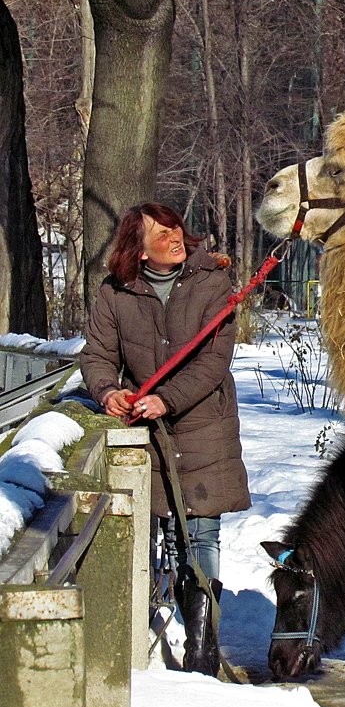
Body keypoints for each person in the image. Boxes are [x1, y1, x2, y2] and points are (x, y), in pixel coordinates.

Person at [80, 202, 250, 676]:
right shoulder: (115, 294)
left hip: (203, 427)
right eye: (163, 233)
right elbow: (96, 354)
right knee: (172, 536)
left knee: (201, 530)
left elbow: (214, 363)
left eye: (177, 228)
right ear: (139, 247)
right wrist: (108, 391)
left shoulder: (211, 283)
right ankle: (180, 618)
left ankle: (202, 645)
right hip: (150, 435)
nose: (176, 237)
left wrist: (166, 399)